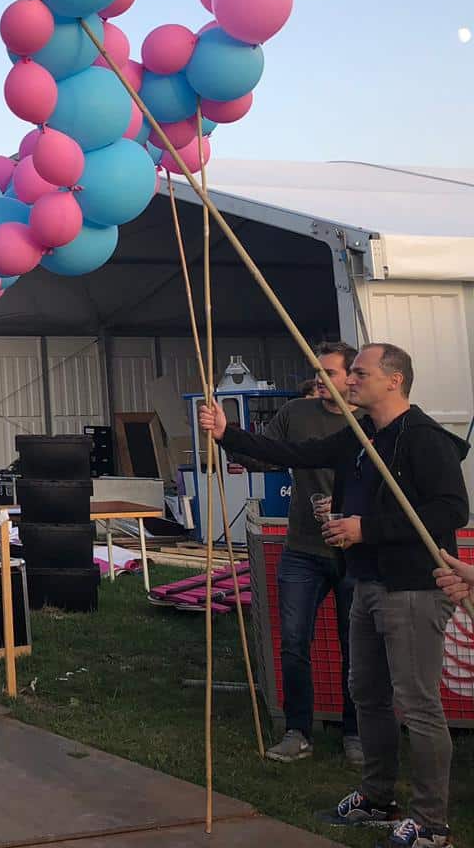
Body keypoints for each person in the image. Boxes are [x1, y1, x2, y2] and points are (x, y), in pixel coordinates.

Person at [199, 343, 468, 848]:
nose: (350, 382)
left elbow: (451, 510)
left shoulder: (426, 439)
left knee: (418, 703)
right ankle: (377, 798)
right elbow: (298, 456)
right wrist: (227, 433)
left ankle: (432, 825)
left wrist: (368, 529)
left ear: (394, 380)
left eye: (360, 373)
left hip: (410, 588)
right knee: (367, 692)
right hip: (366, 581)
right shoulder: (362, 433)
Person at [223, 343, 361, 766]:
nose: (319, 379)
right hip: (303, 546)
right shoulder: (297, 414)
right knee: (294, 641)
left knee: (356, 646)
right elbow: (267, 454)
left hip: (357, 552)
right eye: (317, 371)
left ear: (351, 379)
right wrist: (227, 438)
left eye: (330, 373)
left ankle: (356, 732)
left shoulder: (372, 424)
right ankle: (298, 731)